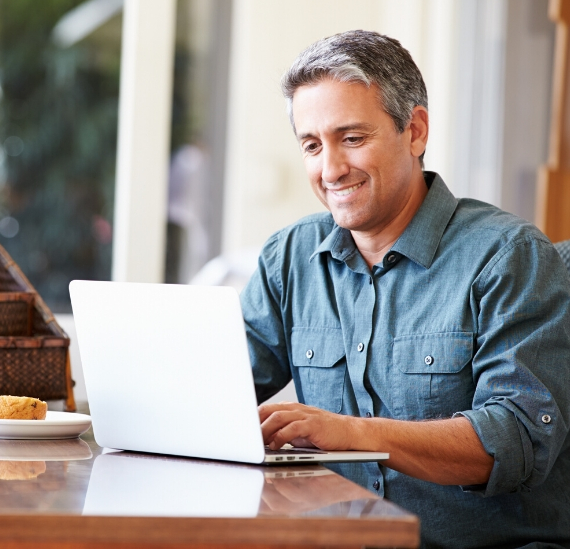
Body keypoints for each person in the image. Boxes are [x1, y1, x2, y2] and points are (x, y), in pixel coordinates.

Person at [240, 30, 570, 548]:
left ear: (414, 131)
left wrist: (351, 433)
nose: (330, 169)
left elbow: (519, 438)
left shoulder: (508, 256)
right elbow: (219, 391)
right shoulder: (288, 259)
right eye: (312, 145)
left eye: (352, 138)